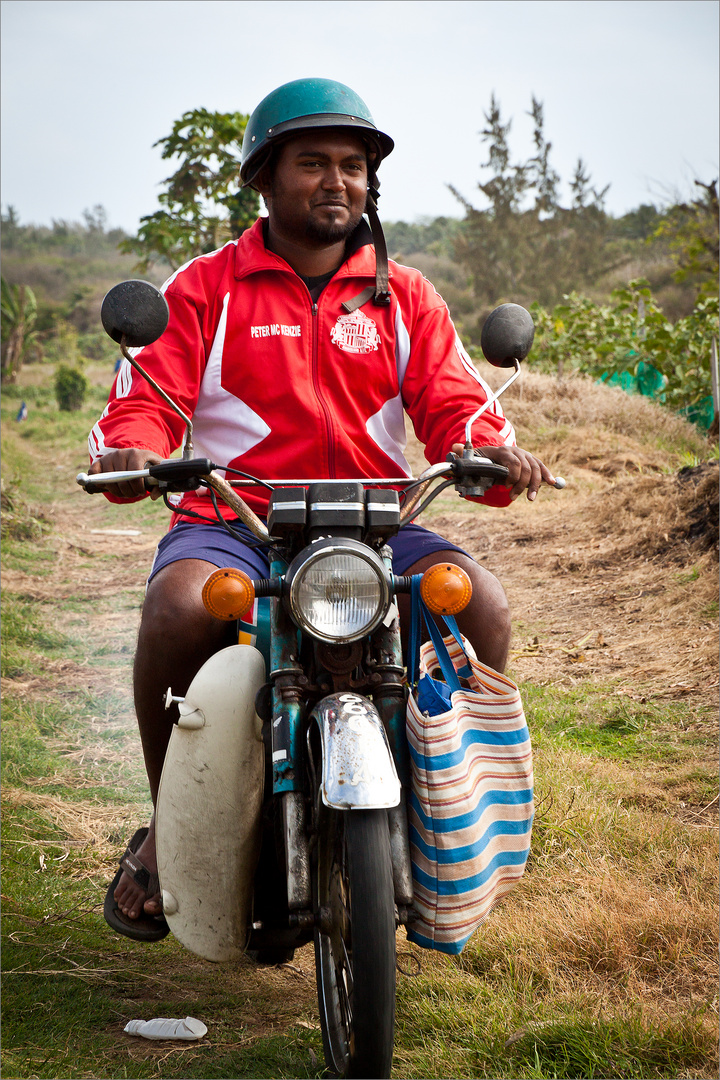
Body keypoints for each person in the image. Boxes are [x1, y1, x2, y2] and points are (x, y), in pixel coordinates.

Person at [88, 78, 555, 939]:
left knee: (478, 603)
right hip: (236, 521)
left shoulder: (403, 295)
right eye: (313, 163)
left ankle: (435, 809)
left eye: (353, 165)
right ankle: (166, 825)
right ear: (263, 179)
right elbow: (145, 401)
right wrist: (135, 453)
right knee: (176, 607)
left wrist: (493, 456)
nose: (338, 181)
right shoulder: (206, 288)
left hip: (377, 522)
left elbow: (458, 405)